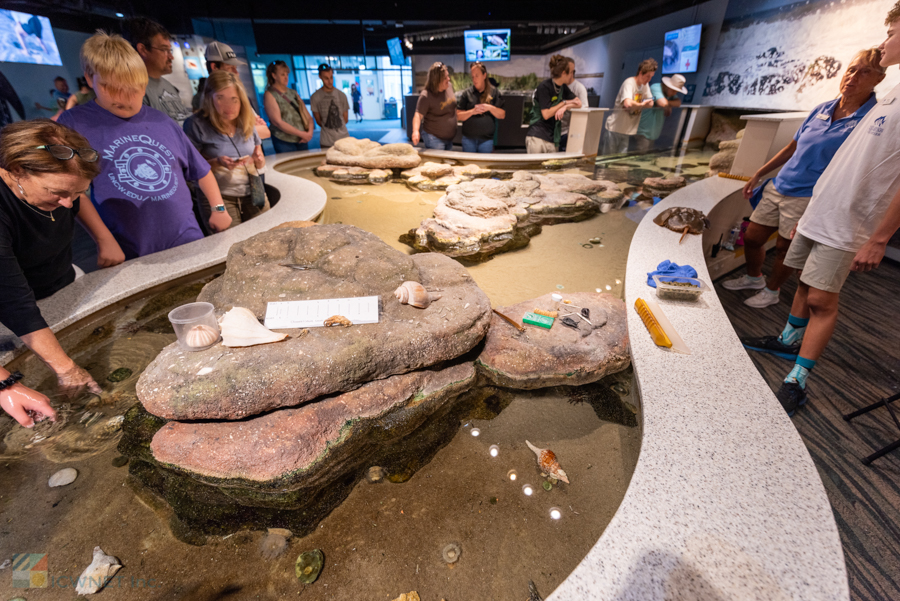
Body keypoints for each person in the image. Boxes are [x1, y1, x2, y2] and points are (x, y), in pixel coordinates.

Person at [741, 7, 900, 417]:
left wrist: (879, 237)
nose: (884, 43)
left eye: (892, 33)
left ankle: (798, 378)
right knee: (805, 286)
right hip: (819, 211)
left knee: (822, 300)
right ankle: (788, 339)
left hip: (847, 222)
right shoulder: (888, 97)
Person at [725, 49, 884, 309]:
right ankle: (754, 277)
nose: (853, 77)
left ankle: (772, 290)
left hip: (810, 195)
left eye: (864, 71)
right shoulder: (822, 108)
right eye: (851, 69)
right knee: (752, 237)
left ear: (879, 78)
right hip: (781, 185)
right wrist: (760, 173)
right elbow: (791, 148)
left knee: (785, 248)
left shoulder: (870, 120)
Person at [57, 31, 231, 259]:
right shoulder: (74, 124)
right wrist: (103, 239)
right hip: (129, 247)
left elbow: (200, 169)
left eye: (134, 90)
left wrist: (218, 208)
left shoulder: (161, 120)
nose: (125, 99)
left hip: (187, 238)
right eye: (112, 88)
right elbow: (73, 191)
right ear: (90, 78)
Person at [0, 119, 126, 428]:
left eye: (77, 192)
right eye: (56, 193)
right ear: (17, 170)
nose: (66, 204)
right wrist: (64, 370)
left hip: (62, 275)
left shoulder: (64, 188)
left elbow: (74, 196)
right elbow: (15, 303)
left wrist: (104, 238)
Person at [184, 71, 268, 228]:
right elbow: (190, 169)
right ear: (210, 98)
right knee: (229, 243)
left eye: (234, 100)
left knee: (267, 234)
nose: (229, 107)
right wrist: (216, 162)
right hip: (220, 199)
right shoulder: (195, 124)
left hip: (253, 191)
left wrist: (259, 161)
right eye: (221, 98)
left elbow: (259, 156)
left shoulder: (247, 119)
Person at [125, 17, 192, 125]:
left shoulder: (168, 86)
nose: (171, 57)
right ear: (143, 50)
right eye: (164, 50)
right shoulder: (134, 90)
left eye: (170, 50)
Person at [203, 41, 270, 140]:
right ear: (214, 67)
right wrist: (249, 130)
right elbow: (221, 139)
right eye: (230, 68)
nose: (236, 73)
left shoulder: (239, 94)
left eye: (236, 68)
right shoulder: (206, 101)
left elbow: (265, 132)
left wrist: (242, 131)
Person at [525, 54, 581, 154]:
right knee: (535, 168)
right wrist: (564, 102)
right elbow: (546, 114)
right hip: (538, 135)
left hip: (552, 137)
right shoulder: (544, 87)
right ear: (564, 73)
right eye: (570, 73)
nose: (571, 76)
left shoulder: (563, 88)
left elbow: (578, 103)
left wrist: (565, 107)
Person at [603, 59, 657, 155]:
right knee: (607, 160)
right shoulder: (629, 82)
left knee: (620, 163)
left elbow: (651, 103)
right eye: (647, 76)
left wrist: (639, 104)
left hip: (627, 130)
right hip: (615, 129)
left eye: (651, 77)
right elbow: (627, 103)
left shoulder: (645, 85)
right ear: (640, 73)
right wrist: (641, 104)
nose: (649, 80)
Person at [263, 60, 314, 154]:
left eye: (287, 74)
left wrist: (309, 133)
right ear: (274, 75)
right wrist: (302, 134)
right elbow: (277, 122)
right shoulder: (270, 94)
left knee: (305, 164)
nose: (286, 77)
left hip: (302, 139)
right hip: (284, 140)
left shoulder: (293, 93)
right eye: (282, 74)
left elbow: (307, 115)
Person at [456, 62, 506, 153]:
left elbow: (502, 115)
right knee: (468, 166)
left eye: (477, 76)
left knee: (485, 166)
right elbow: (458, 116)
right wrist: (472, 112)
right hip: (468, 140)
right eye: (472, 77)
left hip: (487, 141)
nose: (474, 79)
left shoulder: (494, 92)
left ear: (484, 75)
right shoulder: (466, 93)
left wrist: (489, 107)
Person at [634, 73, 687, 152]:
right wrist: (667, 105)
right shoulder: (655, 87)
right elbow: (663, 103)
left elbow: (678, 103)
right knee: (640, 157)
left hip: (653, 133)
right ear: (667, 86)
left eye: (676, 92)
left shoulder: (669, 94)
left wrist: (668, 104)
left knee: (648, 156)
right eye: (673, 90)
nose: (674, 94)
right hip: (643, 132)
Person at [411, 62, 457, 150]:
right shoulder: (426, 95)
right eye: (445, 78)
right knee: (438, 163)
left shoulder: (449, 86)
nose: (448, 79)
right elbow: (418, 115)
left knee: (447, 163)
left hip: (449, 139)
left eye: (448, 76)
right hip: (434, 138)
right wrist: (415, 131)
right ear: (436, 80)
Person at [310, 63, 350, 149]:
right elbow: (319, 121)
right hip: (326, 141)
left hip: (344, 139)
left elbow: (345, 119)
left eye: (331, 77)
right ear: (320, 77)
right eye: (326, 78)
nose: (330, 81)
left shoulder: (341, 95)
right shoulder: (315, 97)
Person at [559, 57, 588, 151]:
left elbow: (584, 108)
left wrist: (567, 106)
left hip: (569, 132)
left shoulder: (579, 88)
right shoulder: (559, 85)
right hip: (555, 131)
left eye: (571, 71)